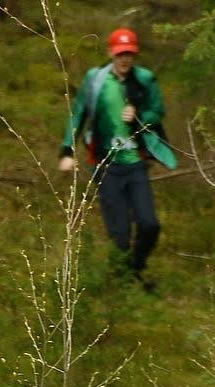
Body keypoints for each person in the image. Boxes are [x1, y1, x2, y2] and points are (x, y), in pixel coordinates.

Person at [59, 27, 176, 290]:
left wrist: (140, 118)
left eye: (129, 54)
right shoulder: (95, 80)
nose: (125, 59)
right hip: (105, 165)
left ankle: (134, 267)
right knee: (119, 235)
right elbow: (77, 114)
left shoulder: (144, 79)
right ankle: (124, 284)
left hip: (135, 164)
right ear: (110, 53)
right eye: (120, 54)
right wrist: (67, 150)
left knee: (150, 225)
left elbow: (158, 110)